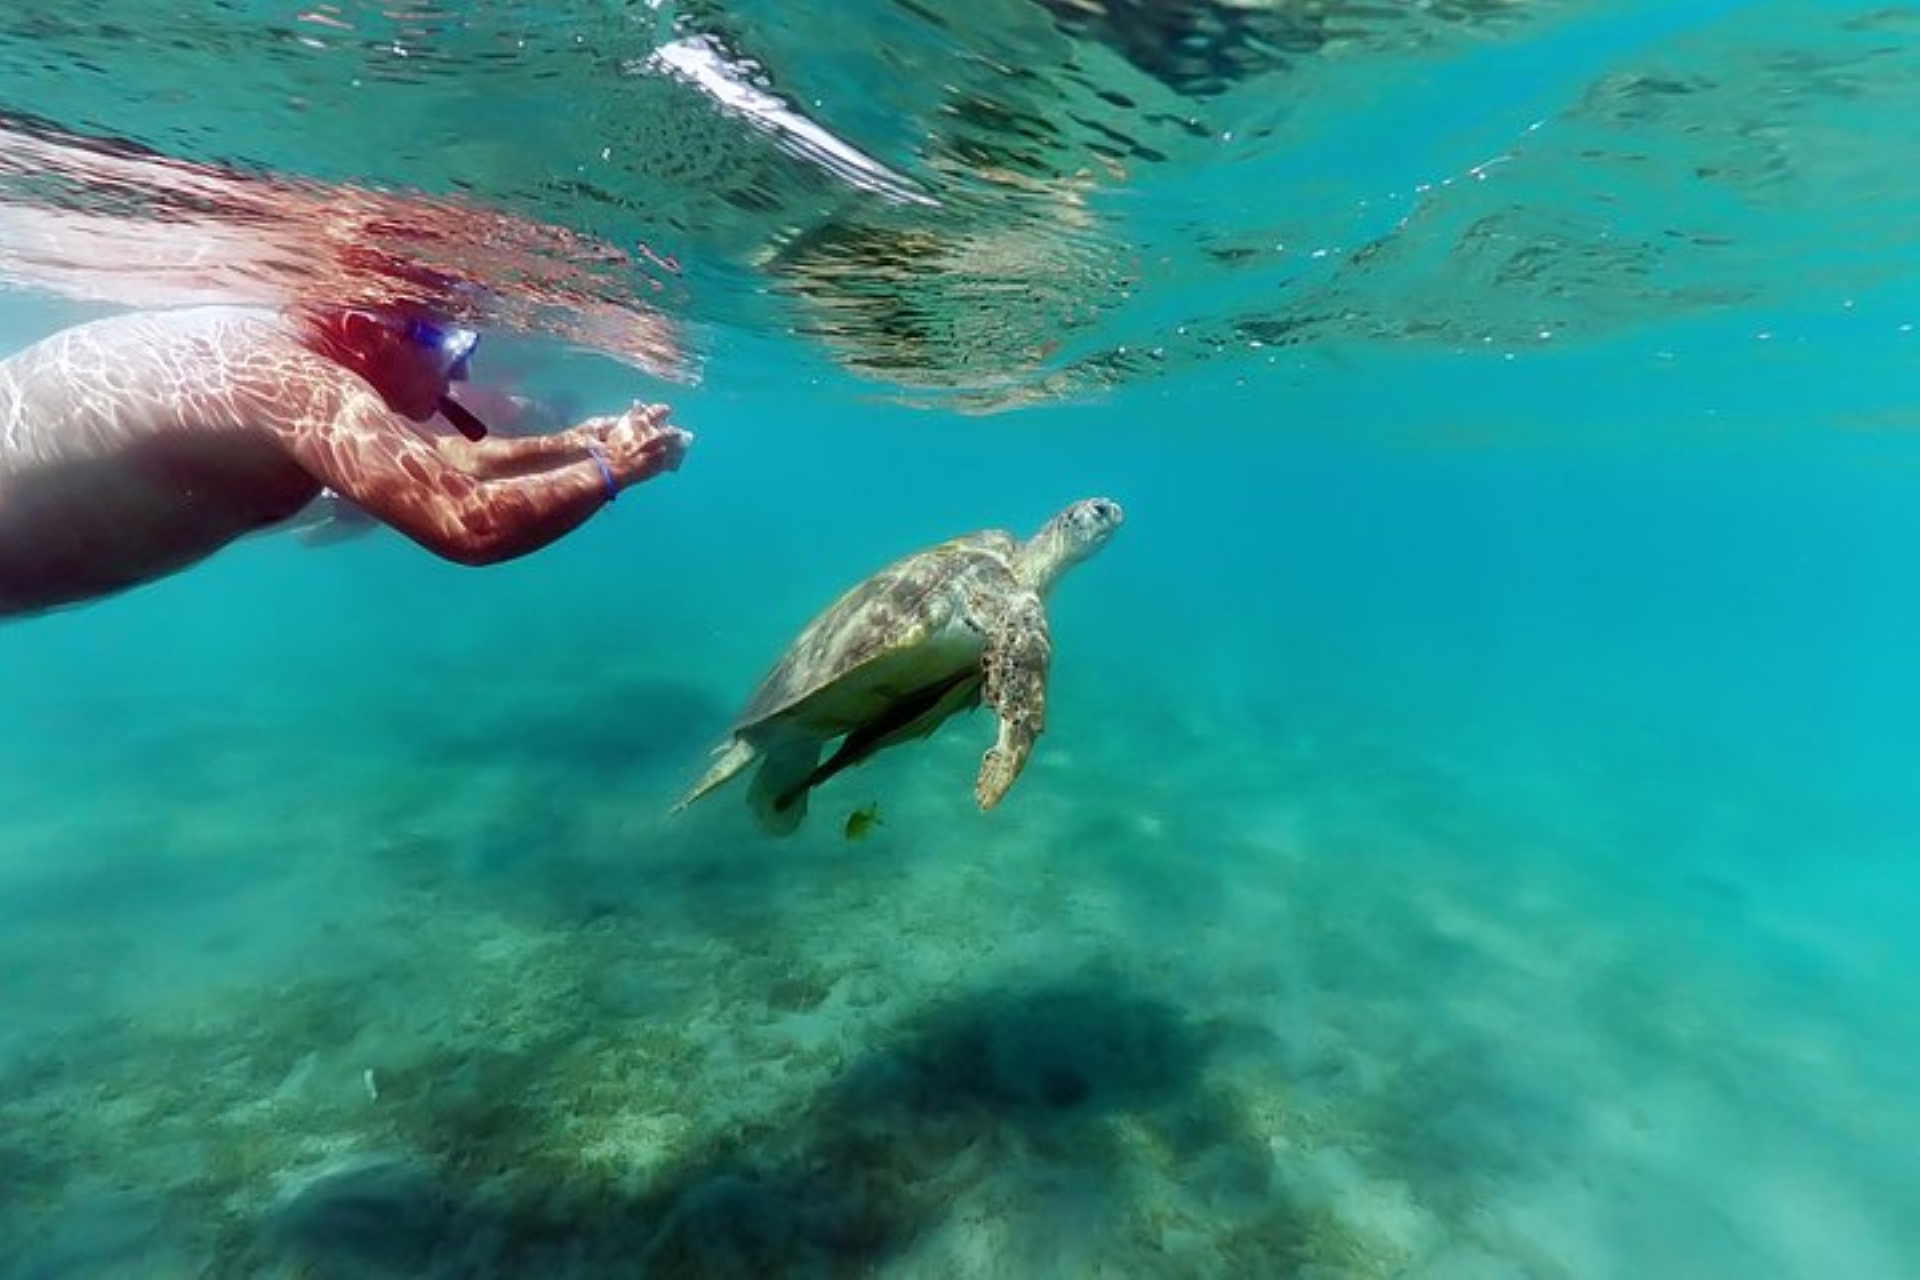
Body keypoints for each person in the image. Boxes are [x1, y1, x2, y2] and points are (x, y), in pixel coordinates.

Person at [0, 303, 691, 618]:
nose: (462, 370)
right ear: (363, 331)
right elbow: (471, 524)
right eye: (450, 342)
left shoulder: (288, 366)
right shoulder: (301, 381)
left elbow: (437, 463)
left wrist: (577, 444)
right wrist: (615, 470)